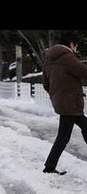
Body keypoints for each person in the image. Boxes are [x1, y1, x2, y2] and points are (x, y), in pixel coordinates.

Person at [42, 31, 87, 175]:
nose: (76, 50)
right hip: (70, 103)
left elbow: (45, 84)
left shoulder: (49, 58)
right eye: (76, 46)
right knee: (63, 136)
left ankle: (49, 166)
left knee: (84, 127)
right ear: (72, 44)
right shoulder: (67, 57)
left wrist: (56, 95)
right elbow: (84, 72)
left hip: (63, 102)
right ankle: (49, 167)